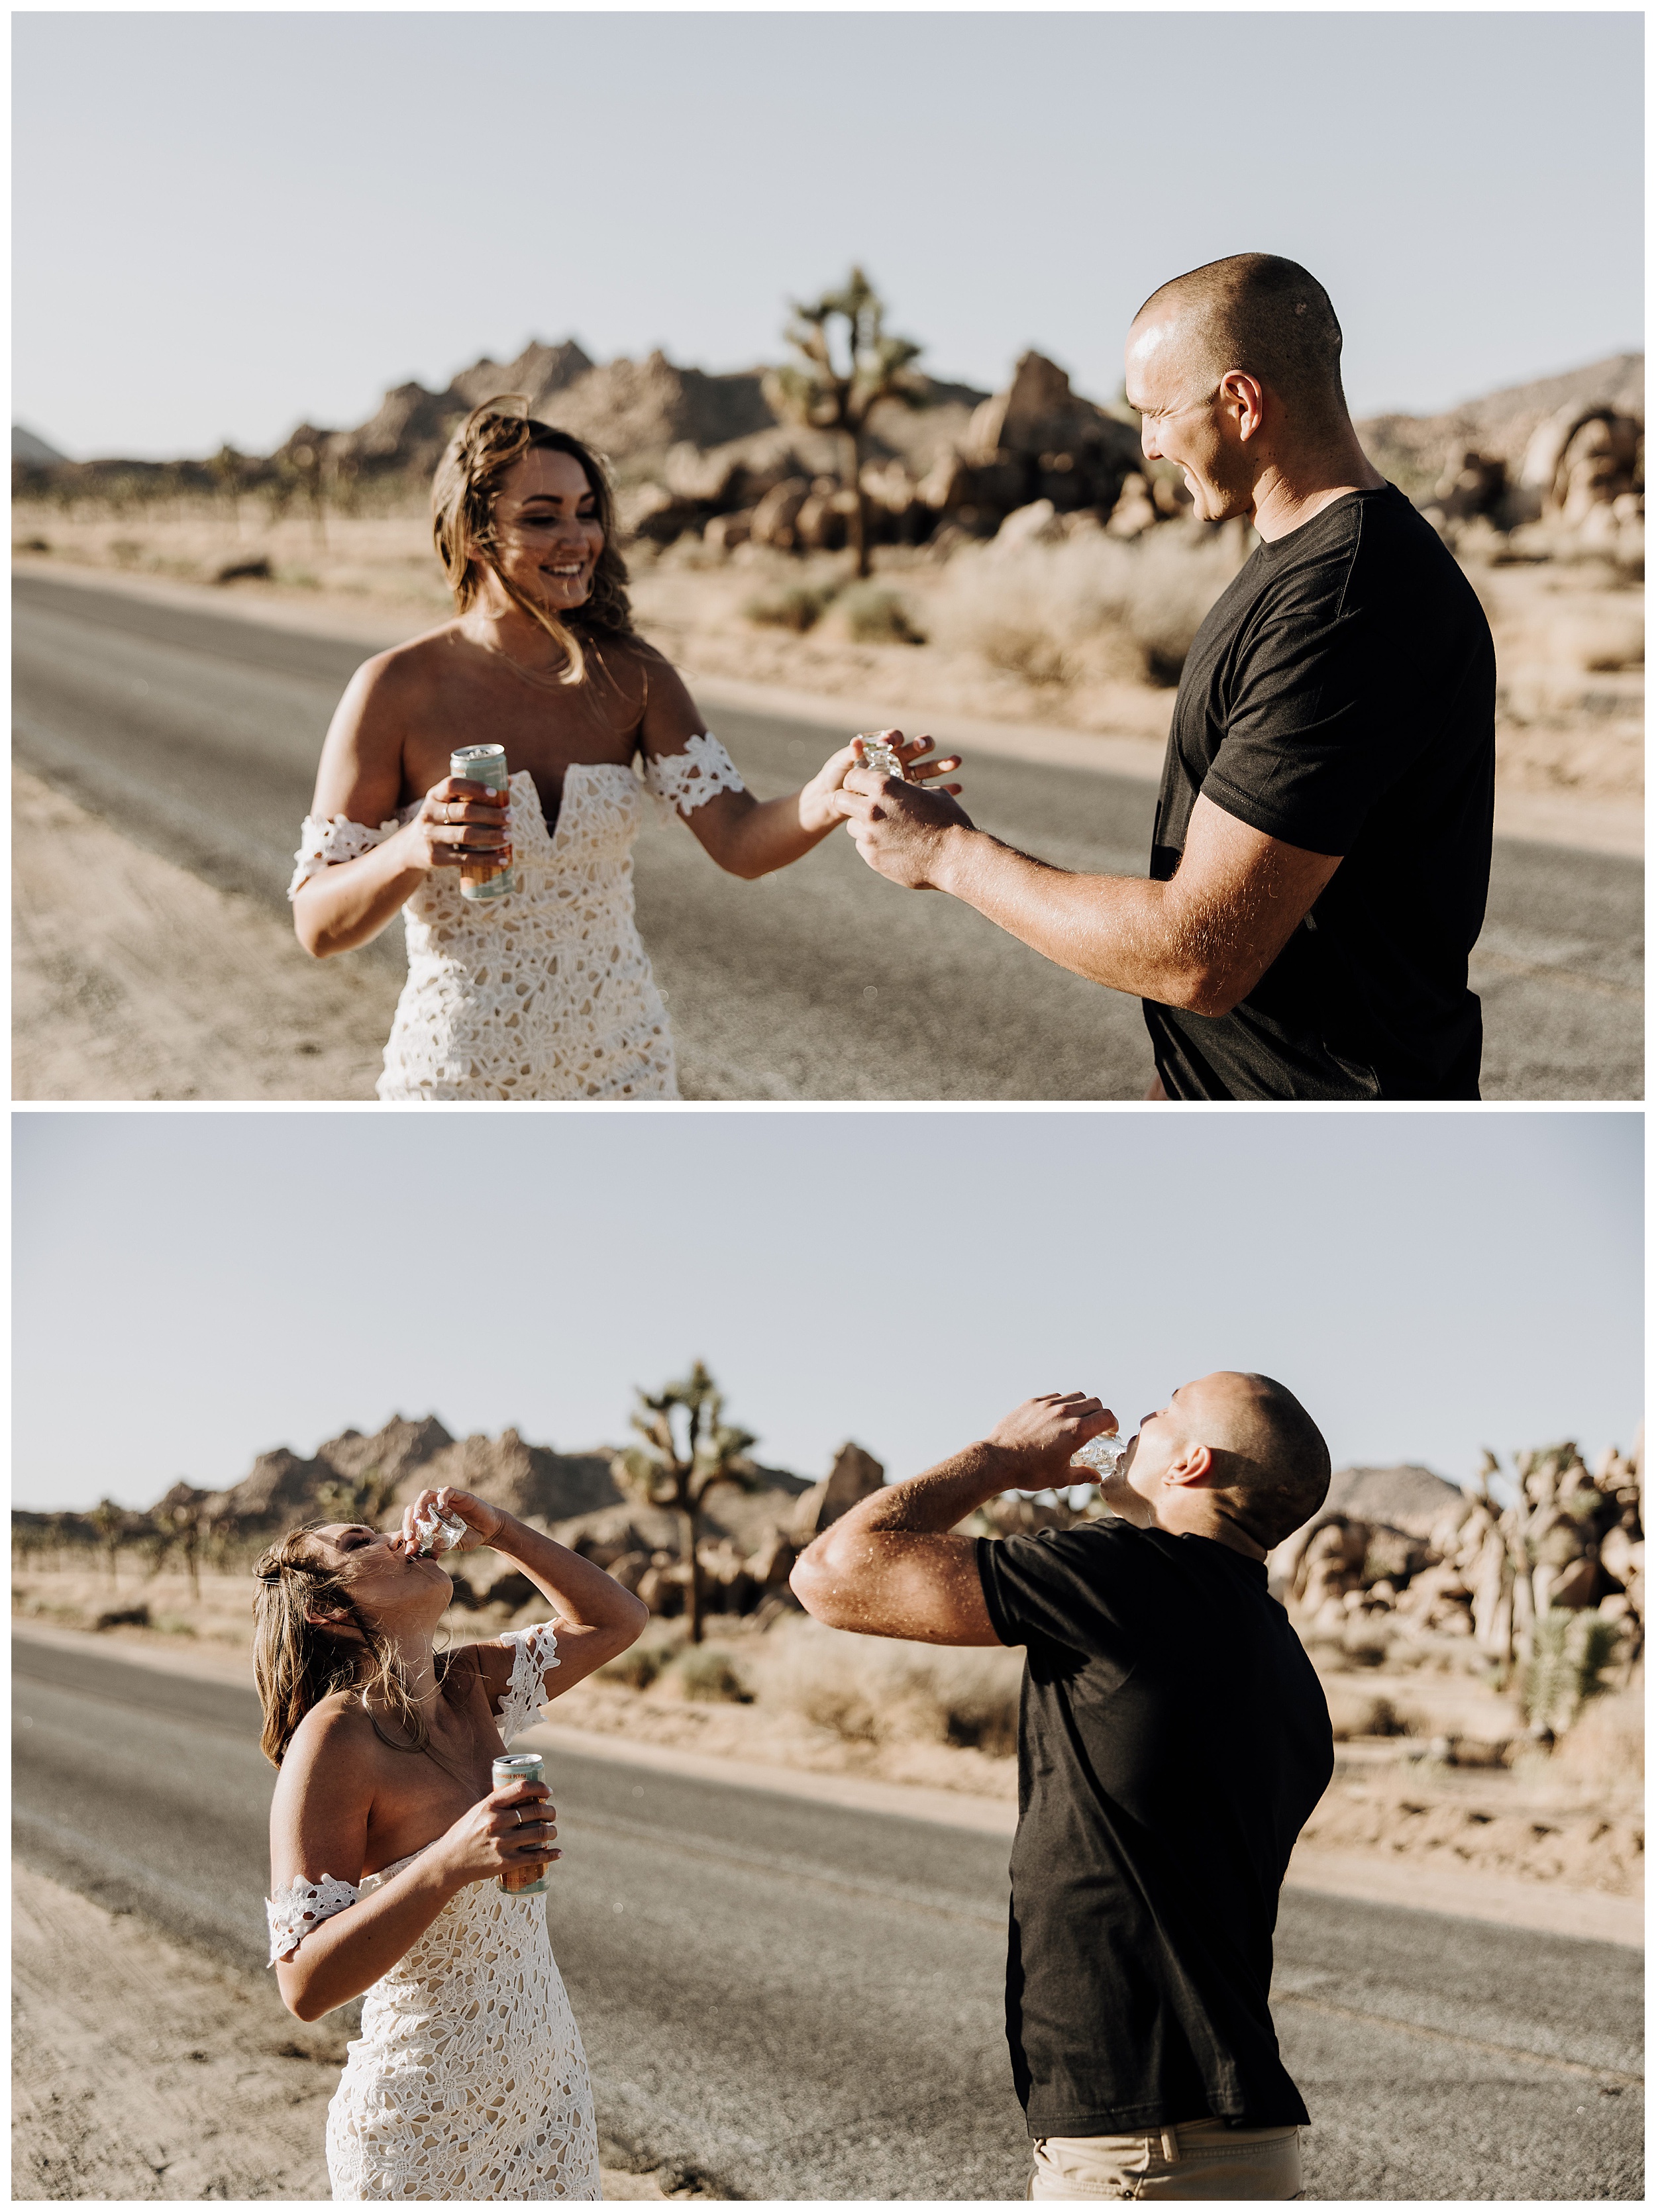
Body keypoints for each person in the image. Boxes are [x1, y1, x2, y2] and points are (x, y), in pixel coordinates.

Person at [830, 254, 1497, 1100]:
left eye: (1156, 413)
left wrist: (947, 853)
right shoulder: (1299, 564)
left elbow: (1199, 956)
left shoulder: (1347, 601)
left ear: (1240, 404)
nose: (1145, 444)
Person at [288, 403, 960, 1099]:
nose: (578, 537)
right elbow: (317, 926)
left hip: (623, 1069)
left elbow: (739, 841)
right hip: (460, 1078)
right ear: (474, 535)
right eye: (542, 517)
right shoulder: (394, 689)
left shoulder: (633, 675)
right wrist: (410, 848)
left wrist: (824, 797)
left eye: (586, 512)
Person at [790, 1376, 1335, 2201]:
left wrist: (1000, 1458)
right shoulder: (1284, 1659)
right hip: (1248, 2144)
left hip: (1139, 2154)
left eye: (1163, 1410)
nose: (1138, 1418)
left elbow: (832, 1575)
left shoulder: (1125, 1576)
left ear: (1190, 1463)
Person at [256, 1484, 649, 2201]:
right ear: (327, 1610)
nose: (396, 1537)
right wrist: (449, 1861)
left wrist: (500, 1530)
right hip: (422, 2129)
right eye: (359, 1542)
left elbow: (617, 1620)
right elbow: (304, 1985)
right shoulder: (334, 1739)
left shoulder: (471, 1682)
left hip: (549, 2105)